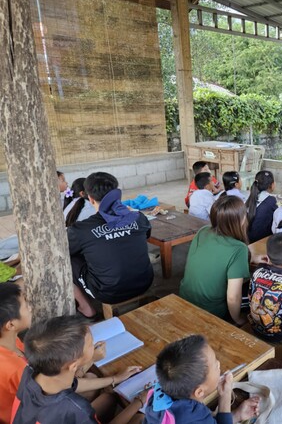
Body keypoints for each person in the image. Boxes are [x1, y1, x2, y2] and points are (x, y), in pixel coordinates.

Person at [0, 284, 143, 424]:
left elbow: (71, 383)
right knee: (140, 418)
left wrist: (114, 378)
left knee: (108, 397)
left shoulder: (29, 376)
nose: (31, 306)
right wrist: (139, 402)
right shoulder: (77, 409)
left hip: (37, 414)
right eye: (90, 344)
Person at [68, 172, 153, 317]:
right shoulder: (138, 217)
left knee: (67, 259)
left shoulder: (81, 230)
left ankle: (86, 307)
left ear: (90, 198)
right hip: (145, 282)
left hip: (108, 293)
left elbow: (66, 252)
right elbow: (146, 235)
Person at [144, 335, 259, 424]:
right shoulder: (196, 416)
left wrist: (236, 415)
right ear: (199, 392)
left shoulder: (158, 396)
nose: (219, 364)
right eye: (215, 366)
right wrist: (226, 396)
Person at [180, 195, 250, 326]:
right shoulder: (239, 249)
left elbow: (214, 257)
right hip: (211, 310)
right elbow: (232, 297)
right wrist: (237, 319)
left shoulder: (203, 231)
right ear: (240, 220)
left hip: (185, 298)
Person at [0, 283, 30, 424]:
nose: (31, 308)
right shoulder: (16, 368)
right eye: (26, 306)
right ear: (10, 325)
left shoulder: (9, 340)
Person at [246, 171, 277, 243]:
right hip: (261, 239)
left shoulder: (250, 197)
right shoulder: (271, 200)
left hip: (247, 237)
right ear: (272, 185)